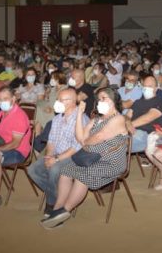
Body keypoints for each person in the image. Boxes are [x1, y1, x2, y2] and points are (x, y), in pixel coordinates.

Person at [42, 88, 129, 229]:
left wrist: (85, 141)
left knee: (84, 175)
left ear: (113, 100)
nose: (100, 102)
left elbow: (96, 138)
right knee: (66, 170)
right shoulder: (97, 120)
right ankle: (57, 209)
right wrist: (79, 114)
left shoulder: (118, 119)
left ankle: (64, 211)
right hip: (91, 159)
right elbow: (80, 137)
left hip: (111, 163)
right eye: (99, 99)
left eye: (104, 98)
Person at [29, 87, 88, 216]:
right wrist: (49, 155)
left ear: (72, 102)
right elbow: (51, 141)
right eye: (58, 99)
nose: (57, 102)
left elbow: (77, 147)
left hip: (73, 156)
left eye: (61, 100)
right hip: (57, 154)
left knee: (54, 170)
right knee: (33, 170)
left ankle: (51, 202)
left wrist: (55, 160)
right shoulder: (57, 119)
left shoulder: (80, 118)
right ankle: (60, 195)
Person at [126, 75, 162, 153]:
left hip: (147, 134)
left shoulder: (161, 102)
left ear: (156, 88)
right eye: (144, 86)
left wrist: (127, 125)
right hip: (130, 130)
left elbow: (147, 118)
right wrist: (127, 122)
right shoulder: (138, 102)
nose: (146, 88)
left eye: (150, 86)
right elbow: (127, 116)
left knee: (117, 143)